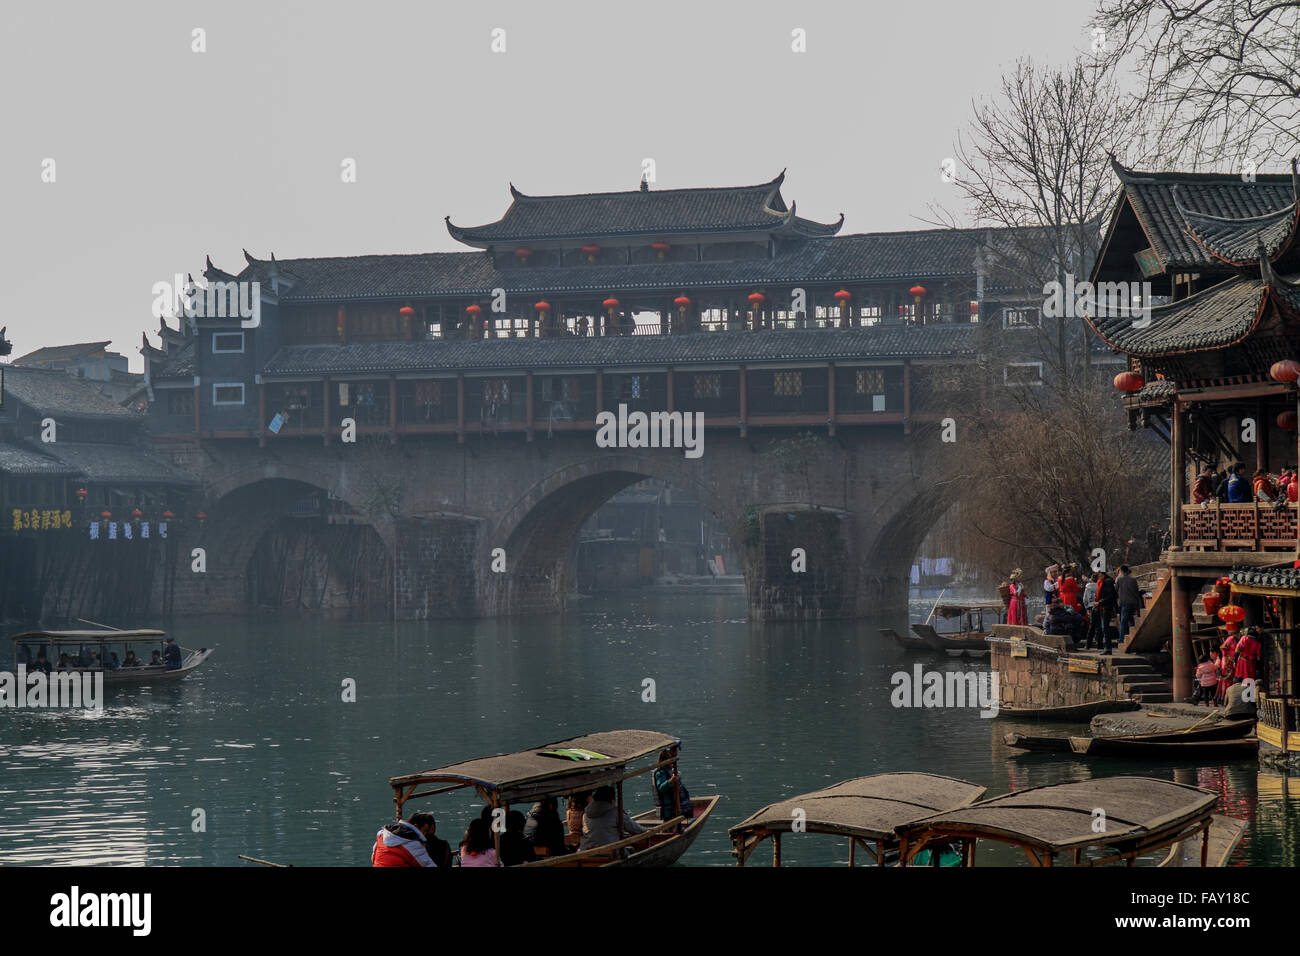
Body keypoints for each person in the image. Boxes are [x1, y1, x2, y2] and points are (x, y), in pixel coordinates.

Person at [580, 785, 645, 851]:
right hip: (609, 853)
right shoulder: (615, 812)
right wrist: (645, 830)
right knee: (632, 850)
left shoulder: (585, 815)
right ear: (612, 799)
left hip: (586, 852)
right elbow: (635, 828)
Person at [372, 812, 439, 867]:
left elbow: (373, 858)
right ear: (415, 826)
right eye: (425, 831)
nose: (425, 835)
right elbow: (428, 865)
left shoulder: (382, 834)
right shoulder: (412, 843)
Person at [652, 750, 694, 822]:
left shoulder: (671, 770)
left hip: (676, 805)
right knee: (669, 826)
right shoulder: (660, 772)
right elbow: (661, 788)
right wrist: (670, 781)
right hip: (668, 809)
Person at [1115, 566, 1140, 643]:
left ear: (1121, 571)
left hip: (1125, 602)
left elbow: (1115, 590)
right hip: (1133, 602)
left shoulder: (1119, 579)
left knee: (1123, 622)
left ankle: (1121, 639)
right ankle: (1133, 637)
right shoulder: (1133, 580)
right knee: (1130, 620)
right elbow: (1136, 590)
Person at [1095, 571, 1118, 654]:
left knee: (1105, 627)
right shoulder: (1101, 582)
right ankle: (1107, 647)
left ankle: (1108, 648)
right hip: (1102, 607)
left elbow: (1111, 596)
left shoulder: (1107, 582)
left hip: (1107, 607)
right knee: (1103, 627)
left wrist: (1100, 602)